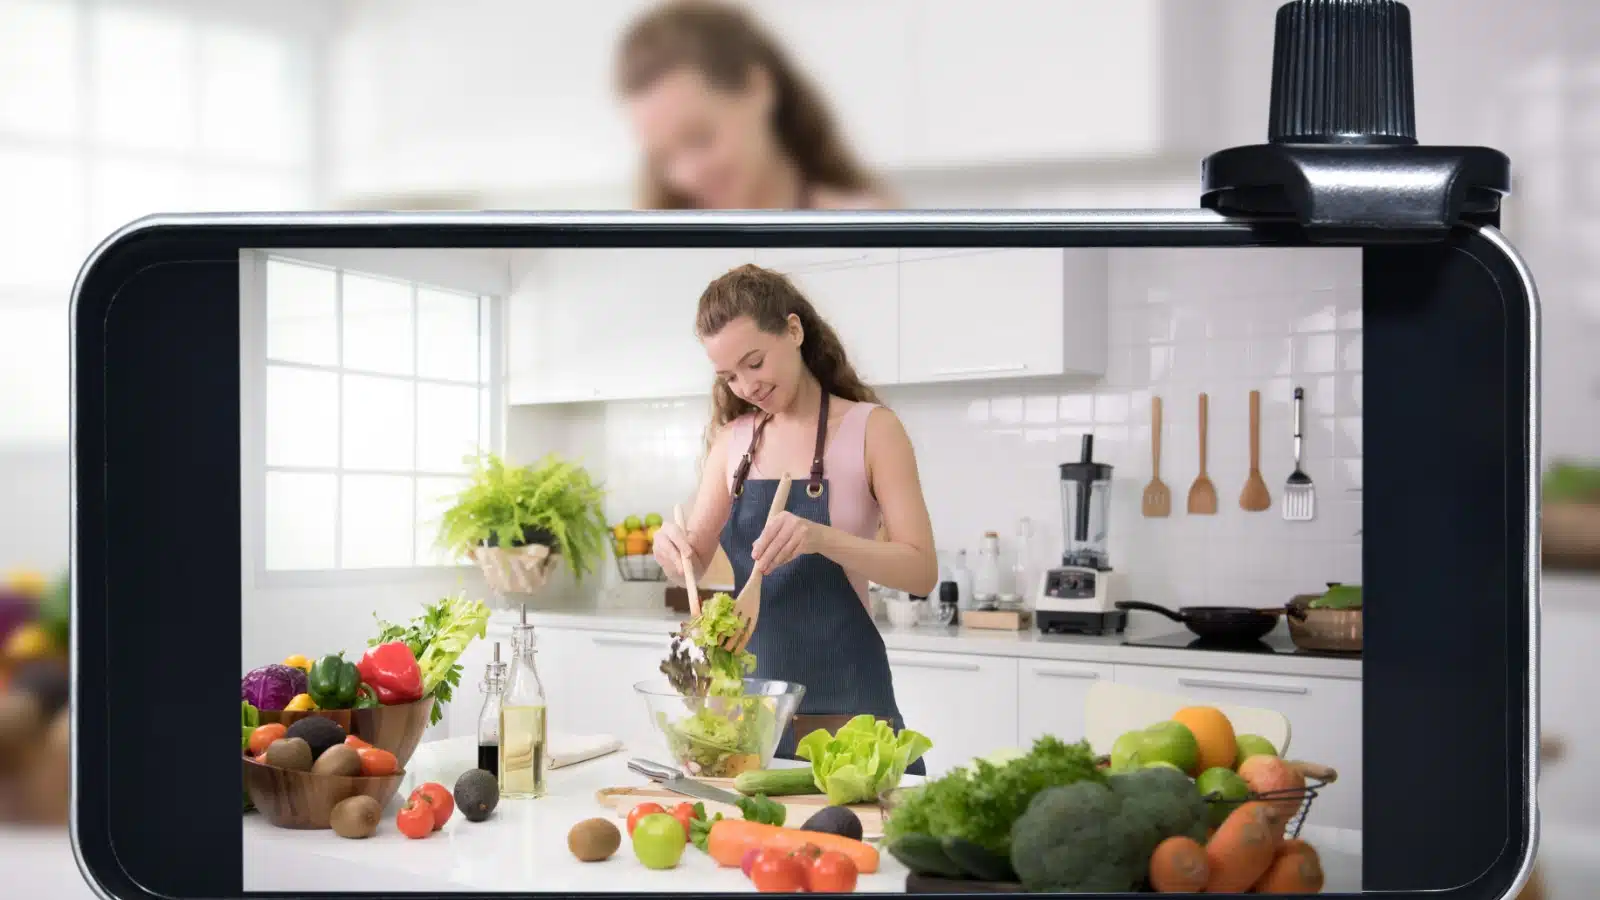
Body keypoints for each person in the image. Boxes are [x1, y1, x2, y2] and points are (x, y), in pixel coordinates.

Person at [653, 264, 937, 773]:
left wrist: (820, 537)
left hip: (848, 703)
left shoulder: (873, 430)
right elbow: (690, 561)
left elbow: (920, 572)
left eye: (754, 362)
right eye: (729, 377)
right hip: (749, 709)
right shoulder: (733, 441)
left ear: (794, 330)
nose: (747, 386)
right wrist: (672, 552)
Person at [615, 0, 895, 211]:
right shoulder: (656, 256)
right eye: (663, 159)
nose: (687, 174)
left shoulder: (871, 232)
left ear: (758, 87)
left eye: (700, 138)